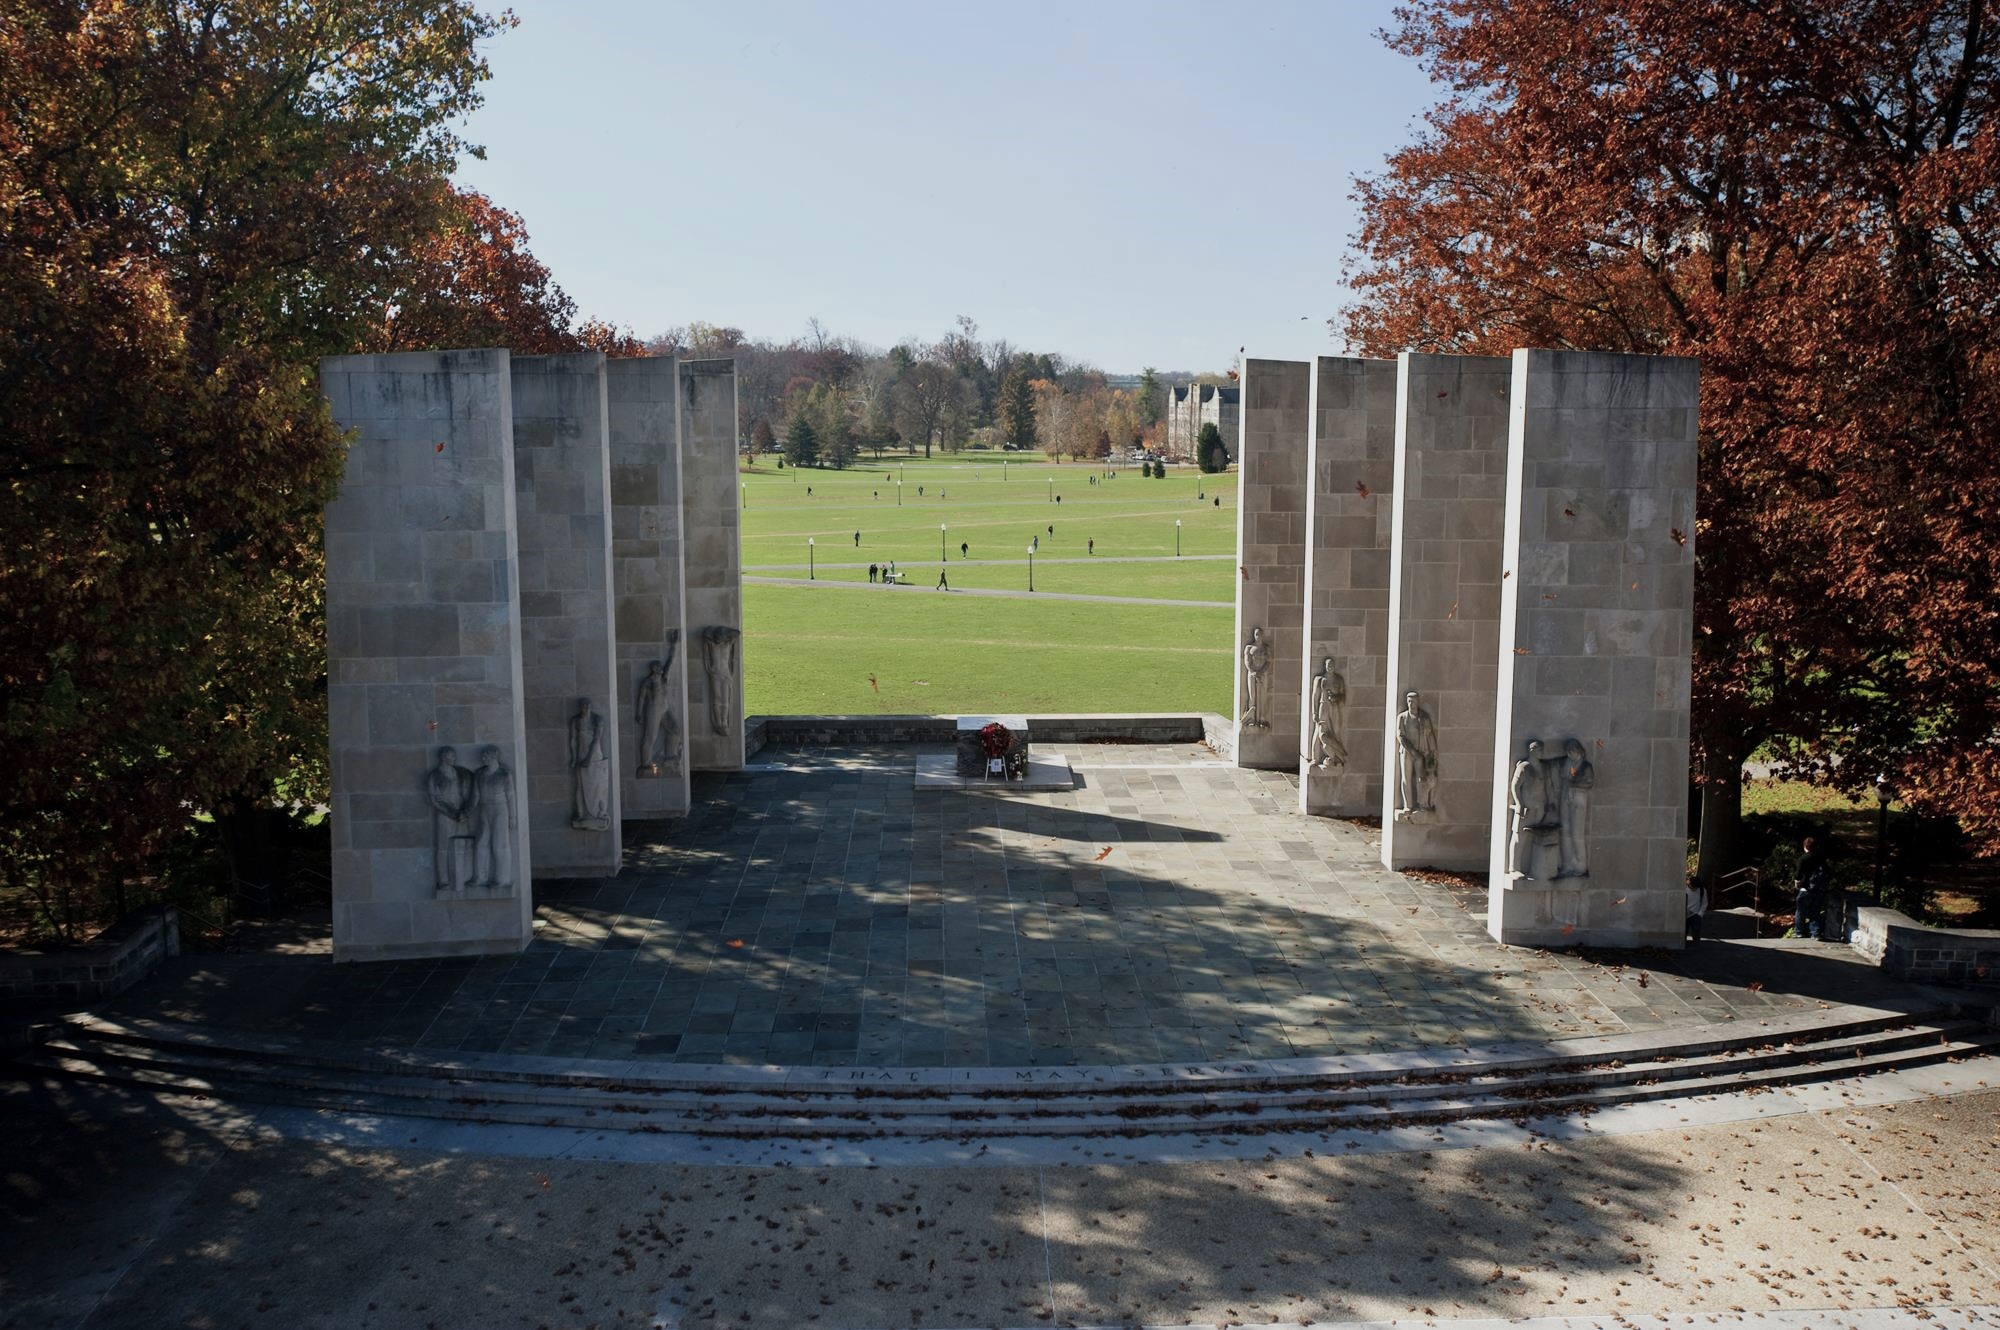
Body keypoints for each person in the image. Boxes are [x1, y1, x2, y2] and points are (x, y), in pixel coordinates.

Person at [1794, 836, 1830, 940]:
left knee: (1800, 911)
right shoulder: (1821, 858)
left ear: (1805, 846)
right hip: (1818, 888)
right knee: (1815, 911)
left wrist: (1797, 885)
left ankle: (1799, 932)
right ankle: (1815, 933)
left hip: (1806, 889)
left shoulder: (1803, 858)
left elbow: (1798, 875)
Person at [1685, 874, 1708, 946]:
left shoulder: (1702, 890)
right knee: (1682, 935)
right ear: (1689, 884)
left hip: (1696, 915)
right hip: (1684, 915)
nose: (1694, 889)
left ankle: (1697, 949)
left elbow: (1705, 903)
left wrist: (1700, 914)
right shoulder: (1684, 889)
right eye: (1692, 887)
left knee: (1696, 934)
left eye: (1695, 888)